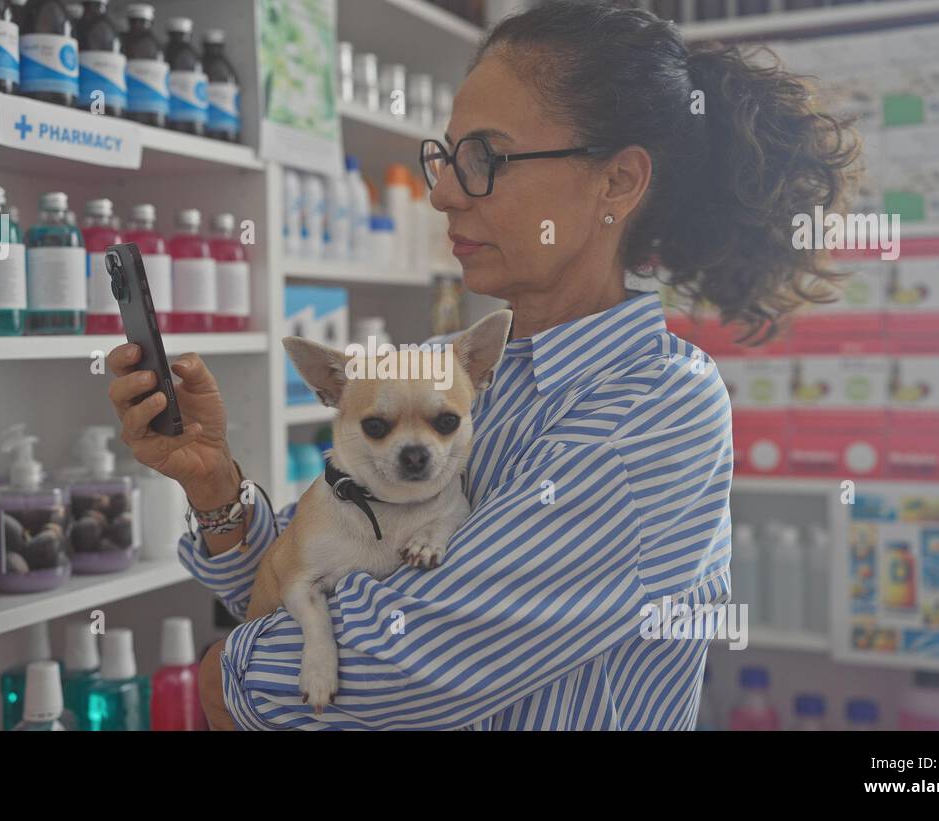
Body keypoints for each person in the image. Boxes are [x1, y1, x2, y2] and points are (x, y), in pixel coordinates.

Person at [107, 0, 857, 730]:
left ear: (618, 182)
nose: (440, 193)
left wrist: (225, 677)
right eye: (444, 155)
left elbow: (409, 662)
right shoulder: (460, 380)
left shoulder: (653, 411)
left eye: (484, 159)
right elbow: (297, 584)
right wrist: (214, 486)